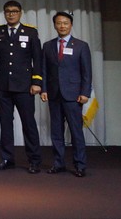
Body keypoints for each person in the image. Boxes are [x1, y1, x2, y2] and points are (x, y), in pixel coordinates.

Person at [0, 0, 43, 174]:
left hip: (24, 86)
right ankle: (7, 159)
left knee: (28, 124)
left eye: (15, 11)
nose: (11, 14)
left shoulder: (30, 32)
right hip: (2, 86)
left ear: (20, 13)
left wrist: (37, 82)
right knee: (5, 124)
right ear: (4, 13)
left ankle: (34, 160)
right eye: (8, 11)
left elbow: (37, 59)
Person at [41, 11, 92, 178]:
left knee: (76, 132)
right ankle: (58, 163)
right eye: (59, 23)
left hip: (74, 95)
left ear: (71, 25)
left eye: (65, 23)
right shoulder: (47, 46)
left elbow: (87, 73)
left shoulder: (81, 46)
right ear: (54, 25)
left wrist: (85, 93)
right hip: (54, 94)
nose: (62, 26)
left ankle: (80, 165)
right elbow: (44, 70)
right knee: (56, 132)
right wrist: (44, 89)